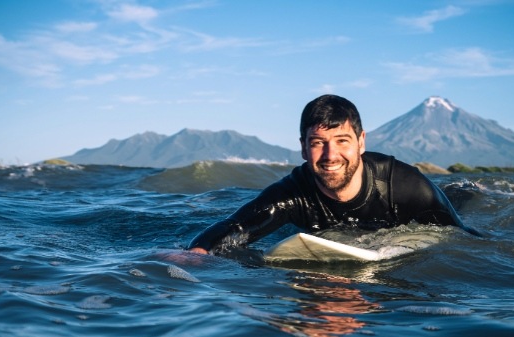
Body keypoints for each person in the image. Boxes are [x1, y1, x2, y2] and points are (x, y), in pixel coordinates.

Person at [187, 94, 479, 255]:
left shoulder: (406, 187)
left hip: (436, 206)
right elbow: (235, 227)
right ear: (303, 148)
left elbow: (465, 242)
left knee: (462, 197)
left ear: (361, 142)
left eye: (342, 141)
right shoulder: (292, 194)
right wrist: (193, 256)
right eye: (318, 143)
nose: (330, 156)